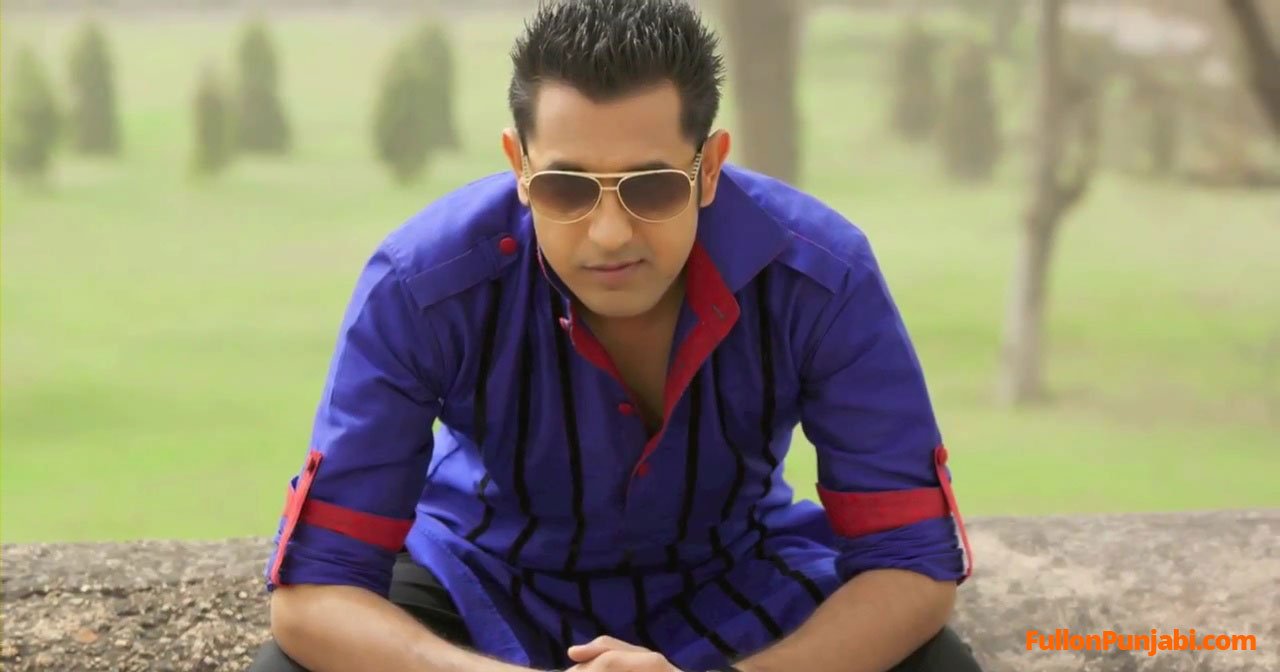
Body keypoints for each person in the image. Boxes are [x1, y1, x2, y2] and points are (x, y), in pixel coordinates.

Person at [249, 1, 982, 671]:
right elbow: (315, 593)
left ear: (710, 168)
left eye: (651, 186)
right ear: (519, 168)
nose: (608, 234)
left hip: (738, 577)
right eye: (566, 187)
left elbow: (911, 564)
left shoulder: (820, 277)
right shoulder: (423, 283)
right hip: (479, 577)